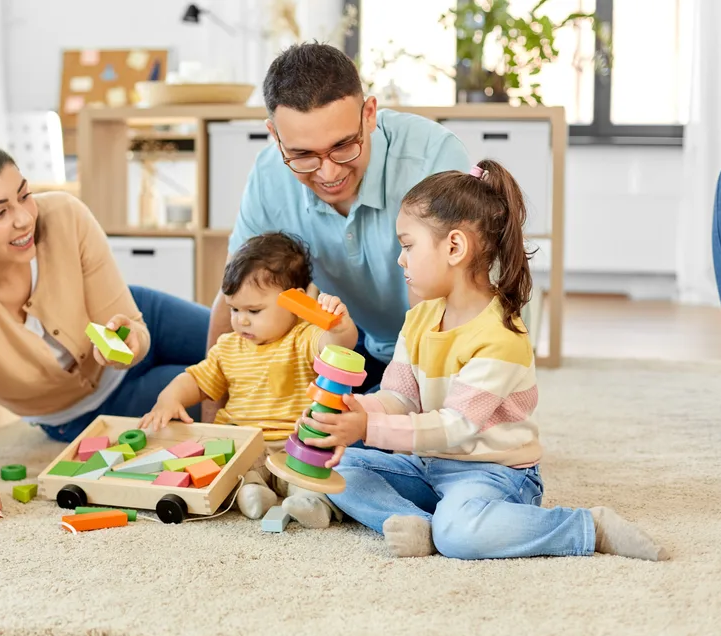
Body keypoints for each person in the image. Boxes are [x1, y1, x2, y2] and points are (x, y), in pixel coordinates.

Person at [298, 160, 669, 562]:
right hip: (427, 465)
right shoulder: (420, 317)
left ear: (454, 247)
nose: (401, 260)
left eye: (408, 245)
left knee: (461, 535)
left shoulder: (501, 336)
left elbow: (456, 427)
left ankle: (585, 526)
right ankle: (415, 522)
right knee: (342, 469)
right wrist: (348, 412)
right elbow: (400, 398)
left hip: (493, 473)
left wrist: (367, 426)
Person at [0, 139, 209, 530]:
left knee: (250, 341)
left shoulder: (65, 216)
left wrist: (130, 343)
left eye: (24, 196)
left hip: (146, 320)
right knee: (229, 392)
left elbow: (131, 326)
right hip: (89, 412)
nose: (23, 218)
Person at [206, 42, 471, 408]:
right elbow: (237, 292)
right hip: (347, 339)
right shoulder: (268, 174)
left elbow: (444, 311)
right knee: (174, 373)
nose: (329, 173)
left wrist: (382, 412)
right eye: (302, 155)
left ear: (369, 114)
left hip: (439, 347)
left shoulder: (432, 159)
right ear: (274, 134)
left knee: (348, 440)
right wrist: (220, 426)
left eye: (344, 146)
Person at [140, 233, 357, 526]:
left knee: (316, 469)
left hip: (293, 442)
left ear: (297, 302)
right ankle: (252, 491)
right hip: (245, 443)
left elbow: (337, 347)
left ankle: (310, 503)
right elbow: (195, 379)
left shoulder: (303, 337)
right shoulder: (228, 347)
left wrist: (339, 326)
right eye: (234, 309)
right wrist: (170, 398)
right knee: (229, 462)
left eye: (254, 311)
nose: (241, 320)